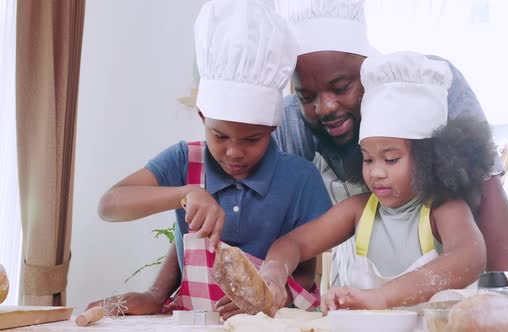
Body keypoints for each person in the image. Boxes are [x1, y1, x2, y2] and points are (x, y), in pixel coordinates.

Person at [87, 0, 331, 320]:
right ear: (202, 116)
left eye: (252, 140)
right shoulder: (183, 162)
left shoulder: (299, 178)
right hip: (194, 323)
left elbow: (304, 267)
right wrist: (183, 194)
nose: (234, 152)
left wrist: (272, 299)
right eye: (219, 135)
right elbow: (110, 204)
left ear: (273, 127)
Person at [272, 0, 508, 275]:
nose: (325, 107)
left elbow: (486, 204)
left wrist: (505, 298)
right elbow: (288, 234)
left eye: (341, 87)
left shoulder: (430, 87)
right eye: (307, 96)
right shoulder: (291, 122)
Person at [260, 51, 495, 314]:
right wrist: (273, 274)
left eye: (391, 159)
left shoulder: (443, 209)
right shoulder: (359, 211)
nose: (376, 173)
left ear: (431, 159)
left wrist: (382, 297)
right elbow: (293, 244)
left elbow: (468, 258)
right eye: (368, 159)